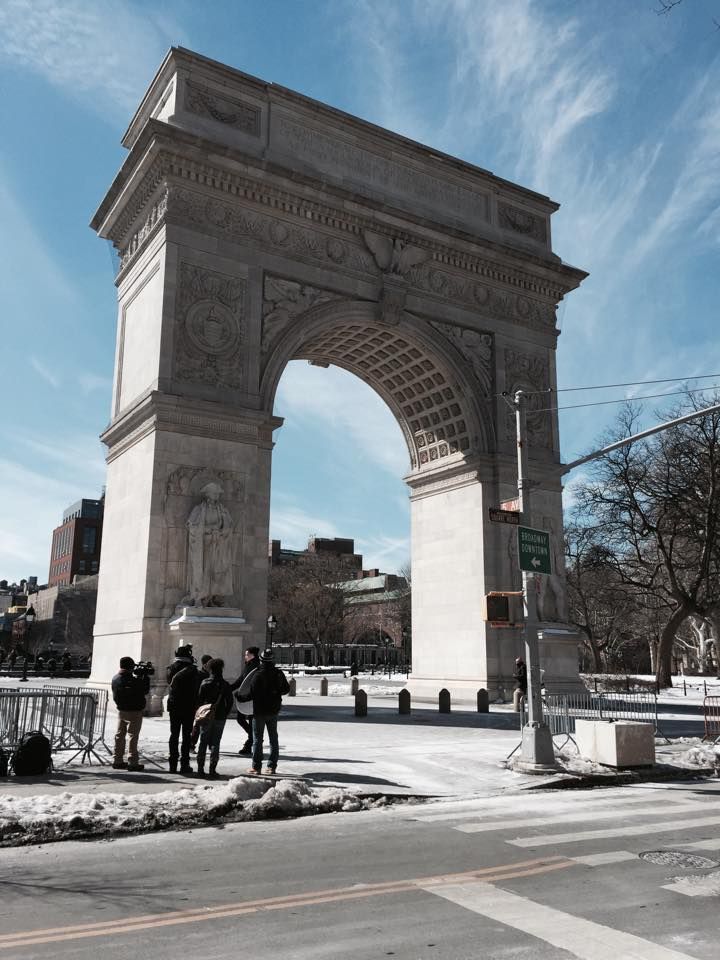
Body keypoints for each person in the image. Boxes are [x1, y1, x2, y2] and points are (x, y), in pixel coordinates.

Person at [236, 649, 289, 776]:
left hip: (259, 712)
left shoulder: (258, 675)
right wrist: (275, 693)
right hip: (273, 711)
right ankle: (271, 767)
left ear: (261, 660)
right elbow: (286, 689)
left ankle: (256, 767)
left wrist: (240, 697)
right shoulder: (278, 673)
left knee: (257, 739)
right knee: (273, 739)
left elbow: (252, 694)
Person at [166, 644, 202, 775]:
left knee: (173, 735)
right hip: (188, 706)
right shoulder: (193, 670)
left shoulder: (170, 669)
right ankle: (184, 764)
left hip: (174, 706)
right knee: (186, 736)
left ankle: (172, 764)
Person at [195, 658, 233, 778]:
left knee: (203, 741)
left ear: (210, 669)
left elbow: (199, 700)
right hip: (220, 716)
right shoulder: (225, 684)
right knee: (216, 742)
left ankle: (200, 769)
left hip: (206, 716)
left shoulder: (205, 683)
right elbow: (230, 701)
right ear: (221, 669)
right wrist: (225, 713)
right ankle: (212, 769)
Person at [111, 656, 150, 771]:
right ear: (130, 666)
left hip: (121, 710)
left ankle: (117, 760)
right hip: (134, 711)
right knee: (133, 736)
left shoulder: (115, 678)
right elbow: (145, 690)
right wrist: (145, 677)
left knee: (119, 735)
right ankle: (132, 761)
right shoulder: (133, 680)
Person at [231, 646, 260, 756]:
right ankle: (252, 739)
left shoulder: (254, 667)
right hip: (246, 699)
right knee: (242, 719)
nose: (245, 656)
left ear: (252, 655)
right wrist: (229, 688)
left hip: (251, 700)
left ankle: (250, 743)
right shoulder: (249, 666)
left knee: (249, 721)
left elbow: (247, 683)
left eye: (247, 655)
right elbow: (240, 681)